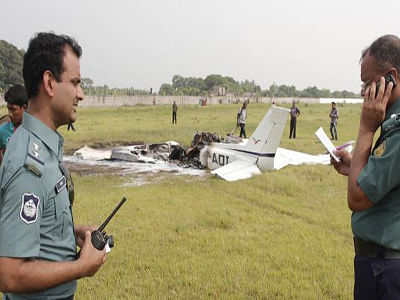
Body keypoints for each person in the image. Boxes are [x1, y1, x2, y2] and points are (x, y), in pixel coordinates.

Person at [0, 32, 106, 299]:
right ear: (49, 82)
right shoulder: (29, 164)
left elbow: (33, 226)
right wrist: (80, 267)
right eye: (75, 82)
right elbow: (9, 273)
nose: (80, 94)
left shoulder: (42, 148)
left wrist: (72, 233)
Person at [332, 34, 400, 299]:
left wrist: (365, 128)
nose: (363, 92)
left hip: (386, 270)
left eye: (368, 83)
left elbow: (358, 197)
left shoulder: (395, 129)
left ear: (391, 77)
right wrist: (356, 168)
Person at [0, 85, 28, 165]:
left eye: (13, 109)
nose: (10, 114)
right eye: (8, 109)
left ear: (24, 107)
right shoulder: (2, 131)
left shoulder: (34, 130)